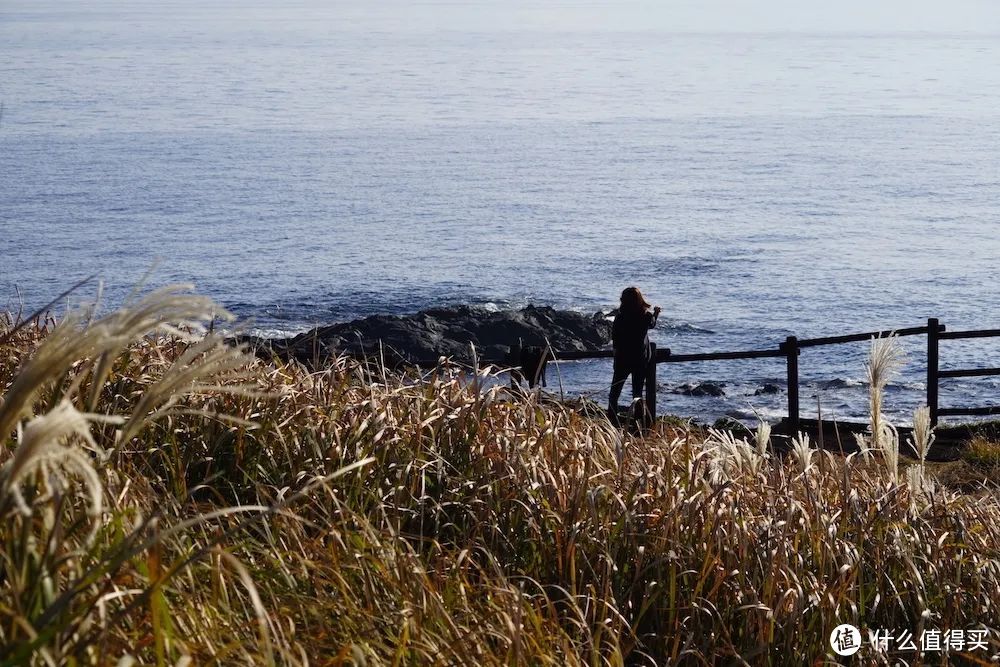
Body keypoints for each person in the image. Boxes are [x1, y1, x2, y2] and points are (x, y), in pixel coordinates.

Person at [608, 287, 660, 415]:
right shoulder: (645, 316)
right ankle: (639, 423)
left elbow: (615, 337)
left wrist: (616, 355)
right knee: (637, 394)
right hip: (639, 359)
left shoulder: (620, 317)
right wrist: (656, 313)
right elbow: (652, 324)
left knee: (614, 393)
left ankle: (612, 420)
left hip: (622, 359)